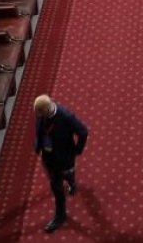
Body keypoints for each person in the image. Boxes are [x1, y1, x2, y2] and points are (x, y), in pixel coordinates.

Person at [33, 94, 89, 234]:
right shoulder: (42, 115)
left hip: (63, 157)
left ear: (46, 109)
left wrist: (77, 150)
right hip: (48, 156)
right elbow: (39, 132)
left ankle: (70, 187)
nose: (38, 116)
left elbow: (83, 132)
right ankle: (62, 211)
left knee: (64, 177)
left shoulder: (66, 117)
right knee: (55, 183)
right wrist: (38, 147)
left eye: (40, 113)